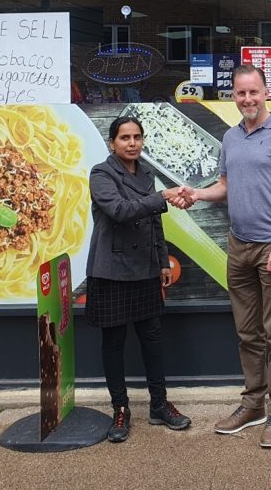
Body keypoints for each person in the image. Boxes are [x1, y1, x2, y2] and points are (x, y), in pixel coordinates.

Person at [176, 64, 271, 448]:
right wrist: (198, 194)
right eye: (240, 94)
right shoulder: (231, 138)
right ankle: (252, 404)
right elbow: (225, 187)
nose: (247, 100)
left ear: (265, 91)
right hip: (239, 245)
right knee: (247, 332)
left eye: (253, 92)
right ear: (232, 96)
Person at [86, 116, 192, 443]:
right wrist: (162, 198)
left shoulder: (146, 174)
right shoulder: (101, 174)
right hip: (112, 269)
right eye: (124, 138)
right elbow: (120, 210)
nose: (132, 143)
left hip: (145, 269)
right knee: (114, 342)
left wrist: (162, 261)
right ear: (112, 143)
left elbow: (154, 222)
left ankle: (159, 404)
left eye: (137, 137)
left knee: (153, 339)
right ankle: (120, 409)